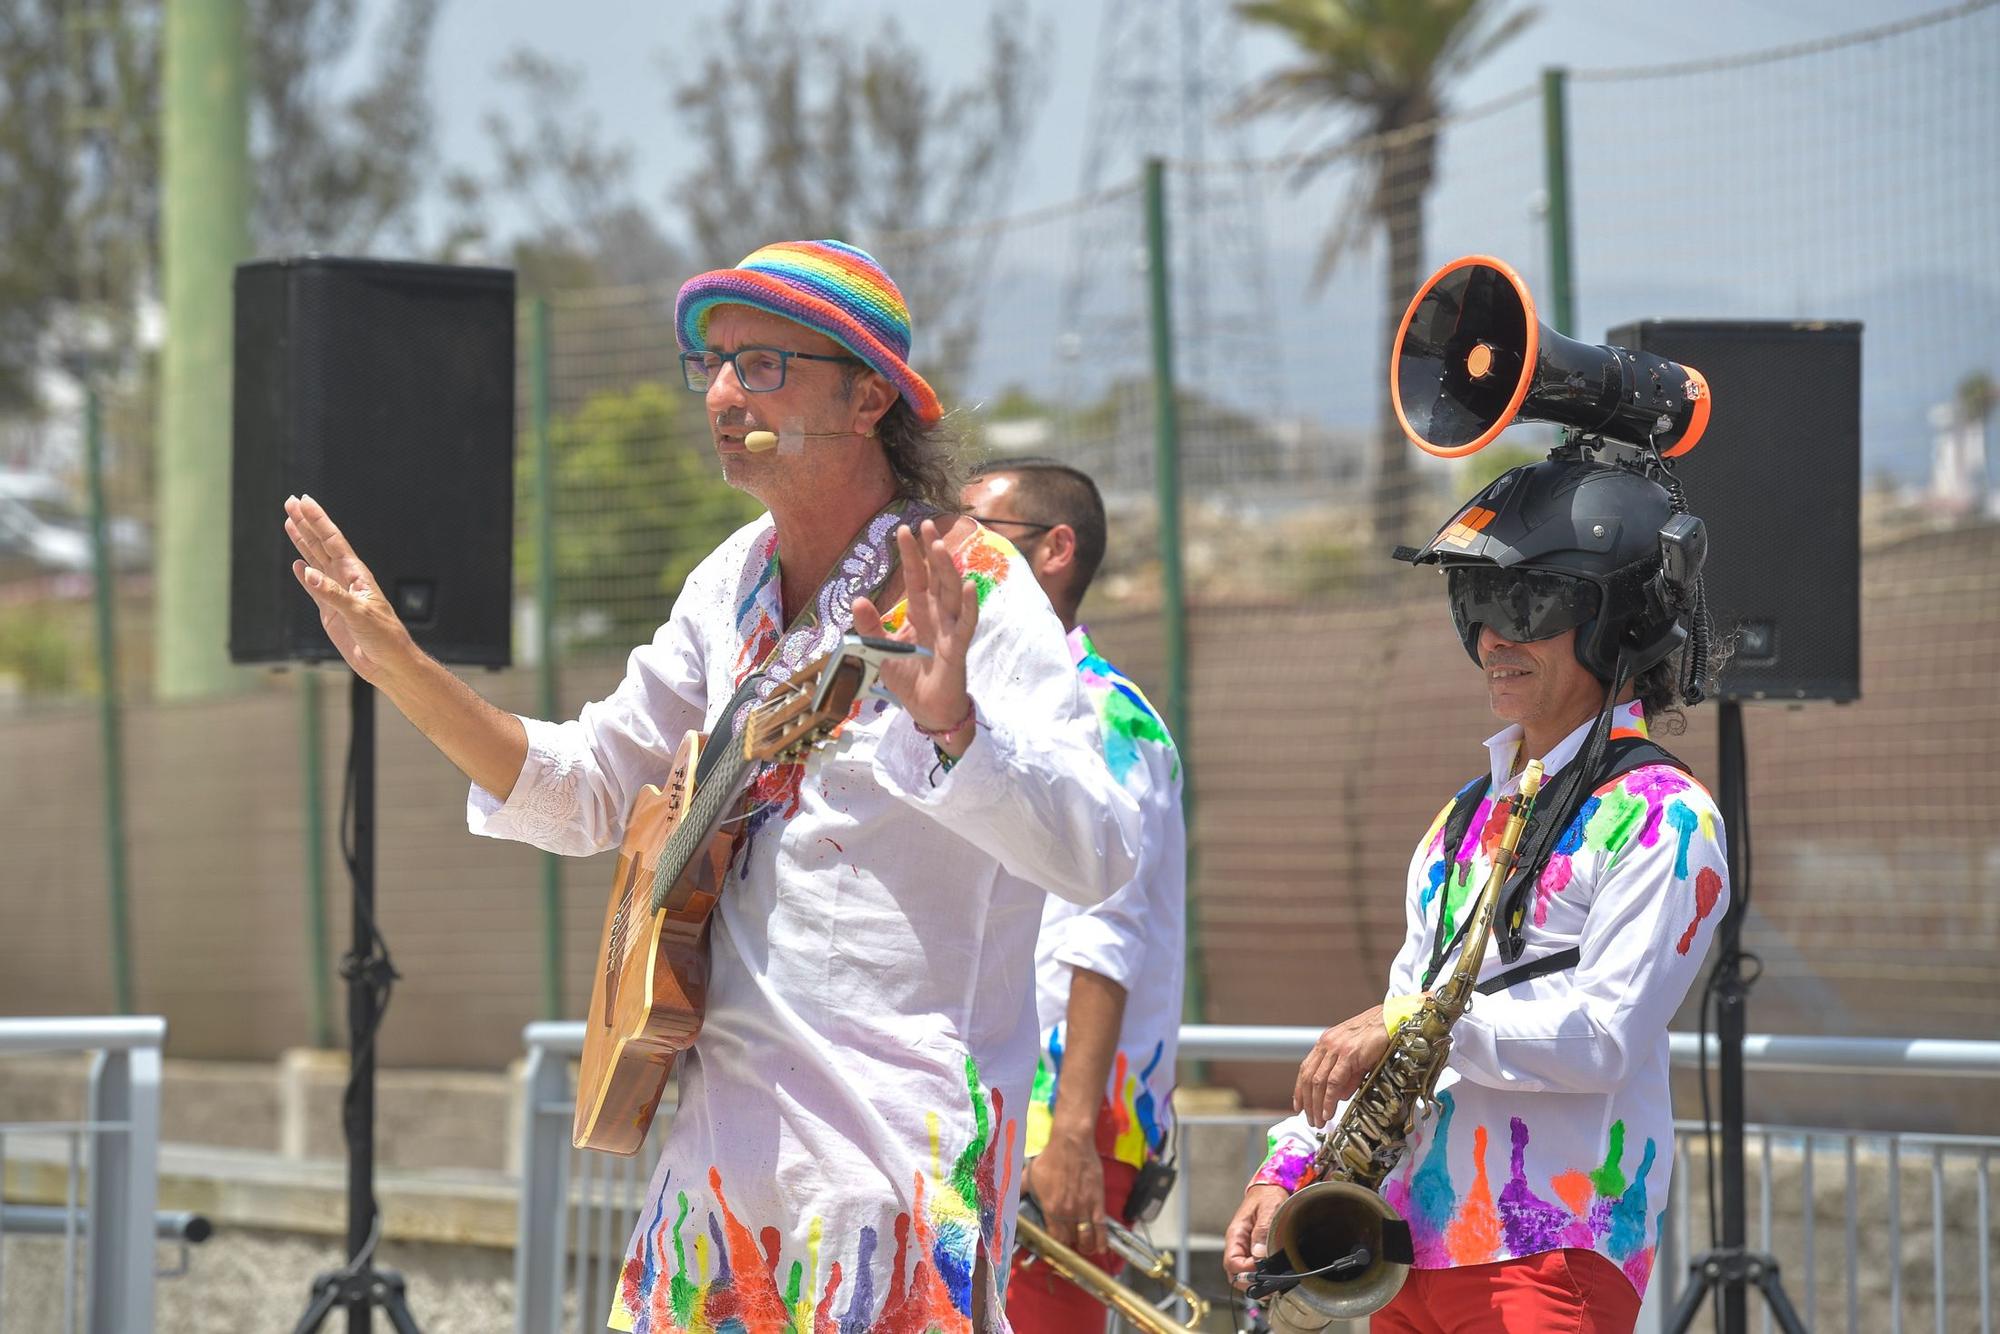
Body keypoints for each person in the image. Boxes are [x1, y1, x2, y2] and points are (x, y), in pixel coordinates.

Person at [283, 240, 1143, 1334]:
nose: (725, 393)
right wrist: (401, 665)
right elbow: (591, 786)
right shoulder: (729, 581)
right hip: (714, 1177)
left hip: (888, 1179)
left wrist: (951, 725)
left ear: (868, 392)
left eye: (763, 364)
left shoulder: (970, 583)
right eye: (713, 363)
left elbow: (1100, 853)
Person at [1221, 454, 1730, 1334]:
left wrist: (1415, 1022)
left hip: (1552, 1243)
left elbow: (1605, 1038)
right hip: (1408, 1244)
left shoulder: (1668, 819)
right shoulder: (1461, 818)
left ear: (1615, 625)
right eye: (1474, 606)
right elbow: (1401, 1008)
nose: (1493, 639)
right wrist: (1291, 1165)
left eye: (1526, 606)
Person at [960, 459, 1186, 1334]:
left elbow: (1105, 934)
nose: (954, 554)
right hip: (986, 1107)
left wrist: (1072, 1136)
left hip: (1064, 1121)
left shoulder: (1103, 714)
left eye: (981, 536)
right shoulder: (981, 713)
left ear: (1056, 551)